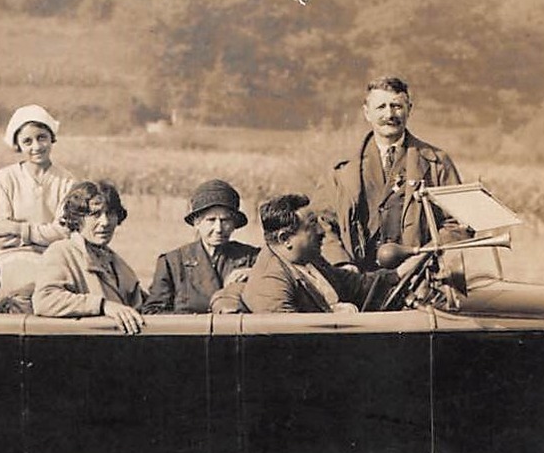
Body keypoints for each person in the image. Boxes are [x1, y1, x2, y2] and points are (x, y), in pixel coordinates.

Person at [319, 76, 463, 269]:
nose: (390, 114)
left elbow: (458, 224)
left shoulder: (437, 162)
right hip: (357, 280)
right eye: (381, 107)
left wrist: (421, 258)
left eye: (396, 106)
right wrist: (342, 264)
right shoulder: (342, 169)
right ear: (366, 113)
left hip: (421, 278)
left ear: (409, 109)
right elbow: (322, 223)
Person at [0, 104, 77, 301]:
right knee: (16, 292)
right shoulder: (6, 178)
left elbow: (64, 233)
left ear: (51, 138)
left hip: (54, 258)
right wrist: (45, 232)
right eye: (27, 141)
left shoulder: (67, 181)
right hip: (10, 258)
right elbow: (0, 235)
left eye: (41, 138)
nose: (36, 147)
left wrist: (19, 229)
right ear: (18, 145)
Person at [32, 180, 146, 333]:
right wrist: (102, 305)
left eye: (110, 213)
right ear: (77, 219)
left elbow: (142, 303)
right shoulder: (62, 252)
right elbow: (45, 300)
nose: (105, 222)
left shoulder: (116, 261)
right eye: (95, 214)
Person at [241, 193, 383, 314]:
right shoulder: (271, 284)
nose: (322, 231)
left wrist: (399, 273)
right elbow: (295, 340)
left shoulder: (308, 259)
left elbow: (354, 284)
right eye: (312, 224)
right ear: (285, 239)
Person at [141, 179, 260, 315]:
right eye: (211, 220)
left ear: (234, 224)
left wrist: (255, 274)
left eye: (225, 220)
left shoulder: (252, 258)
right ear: (197, 223)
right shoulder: (173, 263)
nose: (219, 228)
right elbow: (153, 311)